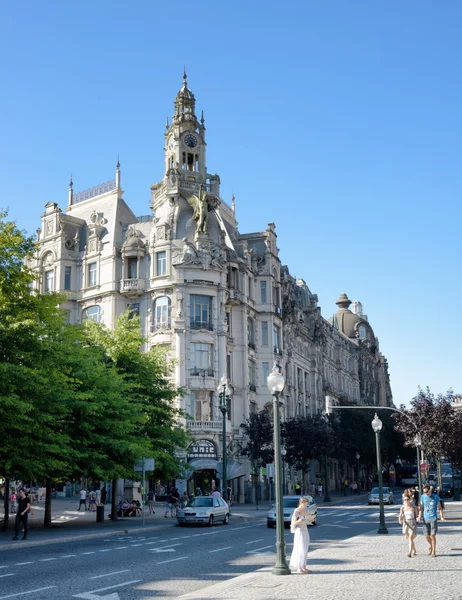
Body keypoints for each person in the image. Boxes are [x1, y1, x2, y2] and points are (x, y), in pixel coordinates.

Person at [418, 484, 445, 558]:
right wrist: (419, 516)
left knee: (432, 535)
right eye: (424, 492)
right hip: (425, 518)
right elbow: (421, 507)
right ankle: (431, 546)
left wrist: (441, 516)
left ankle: (434, 551)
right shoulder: (423, 497)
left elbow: (440, 507)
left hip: (433, 518)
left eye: (426, 491)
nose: (426, 493)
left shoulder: (435, 497)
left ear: (430, 490)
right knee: (427, 535)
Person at [289, 496, 312, 573]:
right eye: (304, 504)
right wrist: (299, 521)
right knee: (300, 549)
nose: (305, 506)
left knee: (305, 549)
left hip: (305, 531)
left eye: (306, 505)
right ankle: (299, 567)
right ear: (301, 503)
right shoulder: (297, 511)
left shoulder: (305, 511)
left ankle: (304, 566)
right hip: (299, 531)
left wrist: (310, 519)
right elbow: (293, 523)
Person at [399, 488, 418, 557]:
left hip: (412, 522)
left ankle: (409, 553)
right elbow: (400, 515)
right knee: (408, 538)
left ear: (410, 500)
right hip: (406, 523)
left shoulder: (413, 507)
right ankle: (414, 549)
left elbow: (417, 514)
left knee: (410, 538)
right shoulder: (403, 507)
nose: (406, 501)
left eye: (407, 499)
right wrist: (400, 520)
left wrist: (418, 518)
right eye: (405, 500)